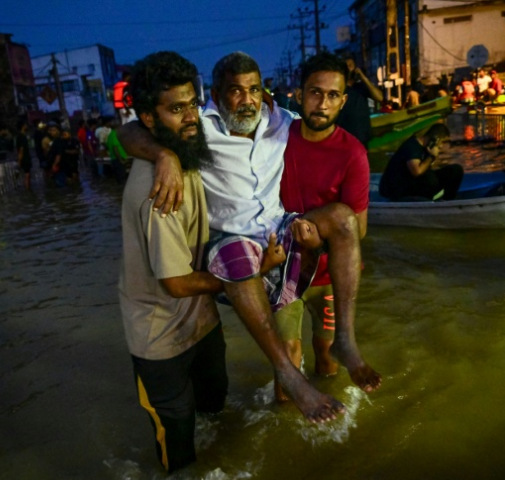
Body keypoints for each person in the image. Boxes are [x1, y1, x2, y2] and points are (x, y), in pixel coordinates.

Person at [119, 51, 382, 424]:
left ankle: (346, 339)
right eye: (236, 91)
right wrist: (164, 156)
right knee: (238, 258)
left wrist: (313, 239)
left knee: (342, 218)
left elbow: (317, 132)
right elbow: (126, 132)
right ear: (215, 94)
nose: (248, 100)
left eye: (254, 89)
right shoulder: (199, 128)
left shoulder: (281, 119)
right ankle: (288, 374)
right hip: (231, 240)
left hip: (280, 228)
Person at [119, 51, 235, 473]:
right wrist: (242, 277)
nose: (190, 117)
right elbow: (176, 283)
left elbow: (127, 133)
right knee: (178, 450)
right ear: (150, 117)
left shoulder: (182, 150)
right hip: (160, 336)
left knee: (216, 407)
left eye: (192, 103)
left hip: (200, 321)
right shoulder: (159, 193)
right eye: (176, 108)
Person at [275, 53, 371, 401]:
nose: (322, 103)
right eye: (315, 93)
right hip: (283, 267)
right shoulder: (275, 140)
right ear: (298, 96)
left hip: (330, 273)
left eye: (333, 95)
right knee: (286, 356)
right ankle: (283, 428)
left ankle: (328, 424)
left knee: (327, 357)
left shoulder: (352, 154)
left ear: (343, 102)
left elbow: (357, 229)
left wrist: (317, 238)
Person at [379, 123, 464, 201]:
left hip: (413, 182)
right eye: (441, 142)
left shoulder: (426, 148)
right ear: (436, 139)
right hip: (398, 187)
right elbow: (416, 172)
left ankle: (447, 202)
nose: (441, 146)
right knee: (430, 180)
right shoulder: (412, 147)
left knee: (455, 170)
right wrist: (431, 156)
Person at [335, 51, 384, 148]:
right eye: (346, 66)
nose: (349, 68)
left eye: (351, 65)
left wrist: (363, 78)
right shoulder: (338, 89)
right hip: (344, 140)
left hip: (362, 139)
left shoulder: (361, 87)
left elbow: (380, 97)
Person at [106, 117, 130, 183]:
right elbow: (115, 148)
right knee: (122, 179)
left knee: (119, 179)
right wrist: (121, 160)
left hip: (114, 159)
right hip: (118, 160)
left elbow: (108, 147)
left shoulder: (110, 135)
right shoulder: (115, 135)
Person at [15, 120, 32, 190]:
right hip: (25, 158)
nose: (27, 126)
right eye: (25, 125)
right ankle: (27, 188)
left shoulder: (19, 136)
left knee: (26, 174)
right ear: (22, 126)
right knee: (27, 174)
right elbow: (21, 150)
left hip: (24, 158)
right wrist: (19, 160)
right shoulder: (22, 137)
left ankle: (27, 188)